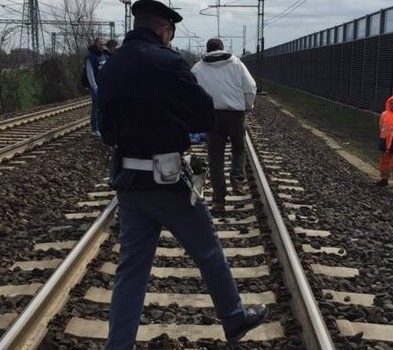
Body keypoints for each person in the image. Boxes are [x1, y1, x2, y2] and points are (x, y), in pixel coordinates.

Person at [96, 1, 268, 349]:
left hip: (129, 183)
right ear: (164, 29)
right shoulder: (169, 62)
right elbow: (204, 117)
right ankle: (233, 318)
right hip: (170, 183)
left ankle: (118, 345)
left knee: (130, 273)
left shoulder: (111, 65)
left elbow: (105, 129)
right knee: (208, 252)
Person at [191, 38, 257, 213]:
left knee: (216, 159)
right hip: (235, 114)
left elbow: (191, 91)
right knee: (238, 148)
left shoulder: (198, 67)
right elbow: (250, 86)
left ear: (207, 49)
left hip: (212, 116)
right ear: (222, 48)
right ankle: (237, 180)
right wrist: (248, 105)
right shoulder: (236, 63)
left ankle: (219, 201)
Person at [375, 95, 393, 187]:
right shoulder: (384, 114)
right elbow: (381, 126)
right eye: (391, 103)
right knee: (384, 161)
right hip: (385, 140)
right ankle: (384, 178)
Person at [85, 37, 109, 136]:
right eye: (100, 44)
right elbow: (90, 74)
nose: (102, 46)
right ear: (95, 44)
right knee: (96, 108)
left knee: (104, 107)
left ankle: (102, 126)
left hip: (104, 85)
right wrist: (95, 88)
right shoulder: (91, 58)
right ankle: (95, 128)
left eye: (103, 44)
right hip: (96, 86)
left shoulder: (104, 55)